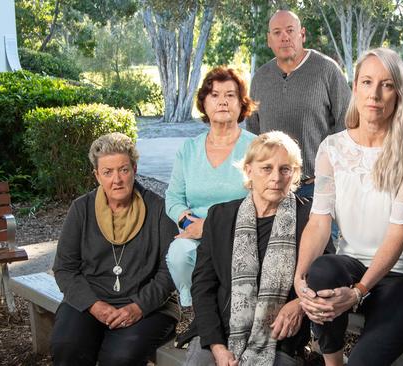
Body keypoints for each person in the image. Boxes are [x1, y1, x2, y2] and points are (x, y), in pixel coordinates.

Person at [293, 48, 403, 366]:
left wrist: (359, 291)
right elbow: (319, 222)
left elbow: (397, 232)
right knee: (319, 271)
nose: (374, 94)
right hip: (353, 265)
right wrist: (299, 279)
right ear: (355, 88)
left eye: (386, 85)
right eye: (366, 82)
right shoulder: (332, 148)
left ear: (399, 94)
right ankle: (332, 362)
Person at [187, 131, 323, 366]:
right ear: (249, 170)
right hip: (219, 331)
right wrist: (218, 348)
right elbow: (202, 286)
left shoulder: (310, 218)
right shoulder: (220, 217)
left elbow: (325, 274)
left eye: (285, 169)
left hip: (279, 339)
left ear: (295, 174)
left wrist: (299, 304)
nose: (276, 178)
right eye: (266, 168)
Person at [51, 133, 179, 365]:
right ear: (97, 175)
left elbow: (169, 271)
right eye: (108, 172)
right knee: (67, 346)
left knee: (118, 358)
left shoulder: (160, 209)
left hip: (147, 305)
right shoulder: (81, 209)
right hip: (91, 300)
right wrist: (94, 305)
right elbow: (64, 268)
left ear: (135, 169)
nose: (117, 180)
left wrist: (138, 307)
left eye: (123, 170)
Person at [165, 67, 257, 307]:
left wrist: (210, 228)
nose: (223, 102)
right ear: (204, 103)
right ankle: (196, 308)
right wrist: (189, 225)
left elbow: (262, 202)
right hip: (194, 231)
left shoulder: (257, 147)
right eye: (215, 95)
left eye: (230, 95)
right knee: (179, 253)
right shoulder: (189, 149)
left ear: (241, 103)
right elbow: (173, 198)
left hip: (240, 233)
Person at [246, 10, 351, 199]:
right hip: (271, 188)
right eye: (277, 32)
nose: (284, 37)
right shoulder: (260, 78)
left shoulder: (327, 70)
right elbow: (254, 134)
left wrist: (328, 171)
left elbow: (348, 122)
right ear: (269, 40)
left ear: (302, 34)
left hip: (316, 186)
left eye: (290, 30)